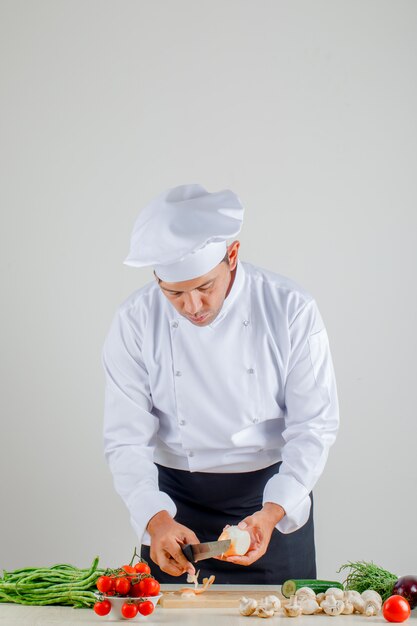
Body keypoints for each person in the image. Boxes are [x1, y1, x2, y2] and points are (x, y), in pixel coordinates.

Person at [102, 183, 339, 584]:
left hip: (270, 497)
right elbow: (126, 440)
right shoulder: (135, 321)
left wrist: (273, 510)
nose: (192, 307)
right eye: (174, 293)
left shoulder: (290, 309)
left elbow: (314, 426)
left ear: (232, 255)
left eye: (204, 287)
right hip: (174, 506)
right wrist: (155, 519)